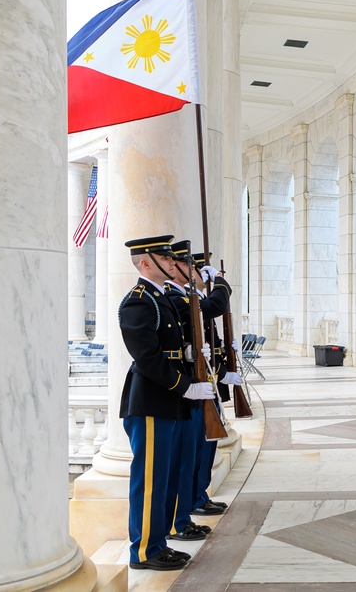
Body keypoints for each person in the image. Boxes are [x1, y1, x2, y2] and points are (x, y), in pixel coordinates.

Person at [119, 235, 217, 571]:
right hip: (151, 401)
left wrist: (192, 356)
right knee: (150, 480)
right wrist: (186, 386)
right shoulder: (138, 301)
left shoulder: (161, 298)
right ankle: (145, 551)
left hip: (168, 400)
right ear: (146, 262)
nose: (172, 263)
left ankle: (159, 541)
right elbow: (146, 359)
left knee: (166, 475)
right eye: (164, 257)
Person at [162, 241, 237, 542]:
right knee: (187, 455)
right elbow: (214, 307)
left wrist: (222, 369)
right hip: (189, 388)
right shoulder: (174, 298)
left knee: (204, 450)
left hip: (205, 383)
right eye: (194, 267)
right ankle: (182, 514)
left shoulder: (189, 297)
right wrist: (219, 282)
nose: (197, 272)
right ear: (178, 267)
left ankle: (197, 496)